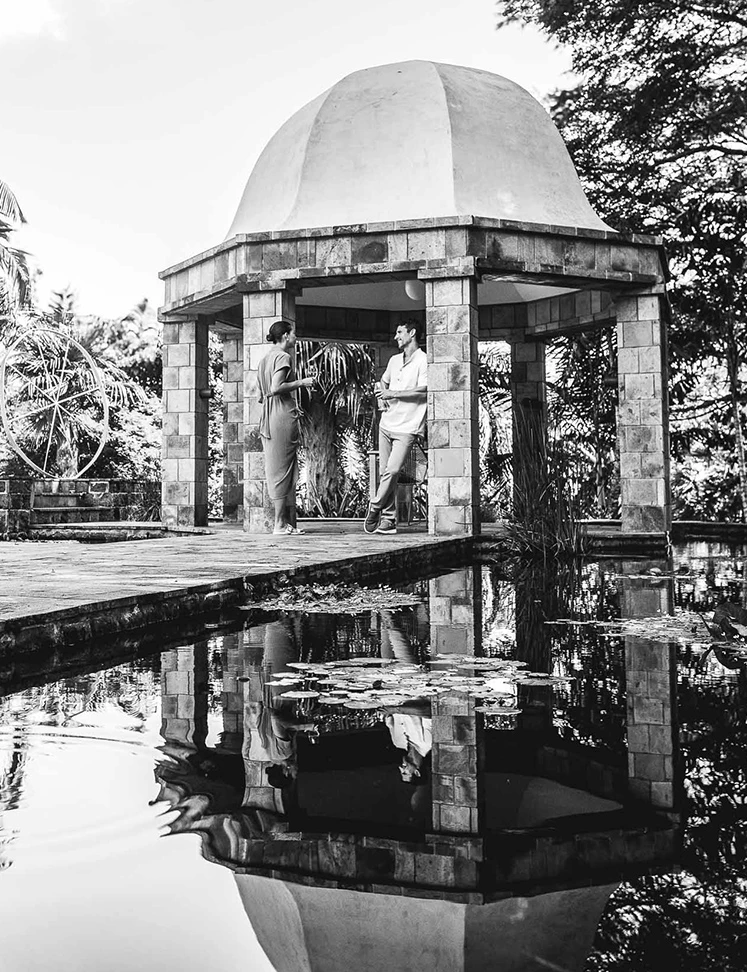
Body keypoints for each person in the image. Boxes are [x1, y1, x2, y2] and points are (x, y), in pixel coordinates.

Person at [364, 320, 427, 535]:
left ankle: (375, 507)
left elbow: (425, 391)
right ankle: (389, 520)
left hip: (408, 427)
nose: (395, 337)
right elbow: (384, 382)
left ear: (412, 332)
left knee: (393, 470)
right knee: (384, 472)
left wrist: (394, 394)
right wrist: (383, 397)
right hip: (387, 424)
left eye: (399, 332)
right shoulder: (393, 360)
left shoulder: (423, 361)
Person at [257, 320, 315, 535]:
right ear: (285, 335)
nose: (295, 338)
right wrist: (302, 382)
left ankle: (282, 522)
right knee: (281, 470)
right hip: (281, 416)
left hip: (269, 416)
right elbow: (275, 387)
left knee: (280, 468)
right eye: (293, 334)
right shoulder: (283, 357)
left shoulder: (264, 360)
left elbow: (260, 396)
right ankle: (279, 524)